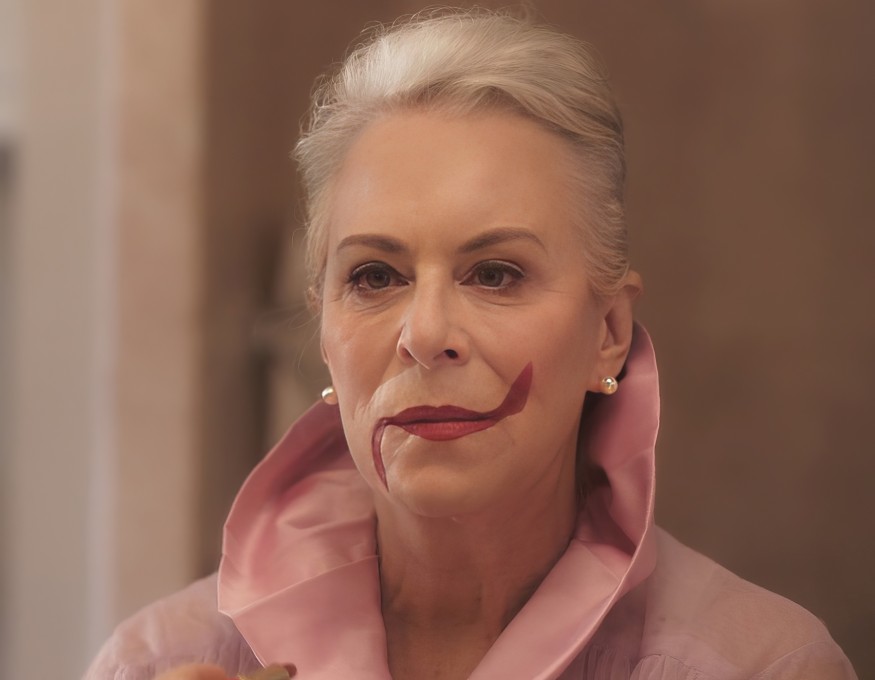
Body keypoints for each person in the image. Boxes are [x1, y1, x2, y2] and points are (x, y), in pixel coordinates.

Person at [85, 8, 857, 680]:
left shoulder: (758, 666)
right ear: (322, 331)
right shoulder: (157, 661)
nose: (425, 336)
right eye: (374, 276)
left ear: (608, 334)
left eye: (494, 274)